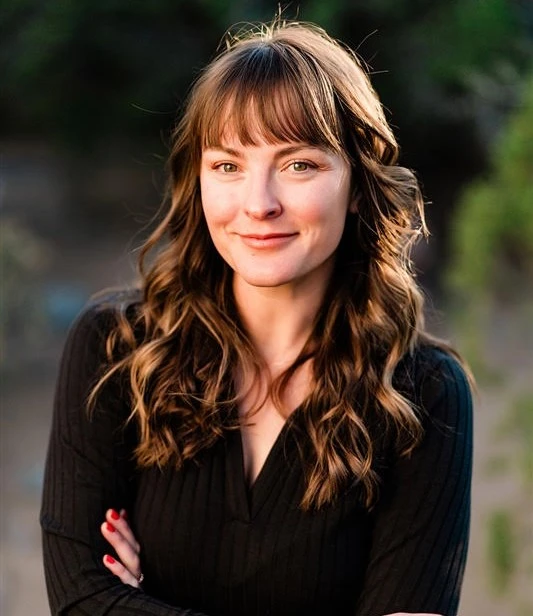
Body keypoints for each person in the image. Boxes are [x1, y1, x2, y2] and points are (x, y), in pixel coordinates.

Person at [40, 19, 473, 616]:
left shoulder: (424, 396)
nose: (259, 203)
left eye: (299, 165)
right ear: (198, 181)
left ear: (356, 185)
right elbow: (80, 601)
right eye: (227, 166)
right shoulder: (115, 347)